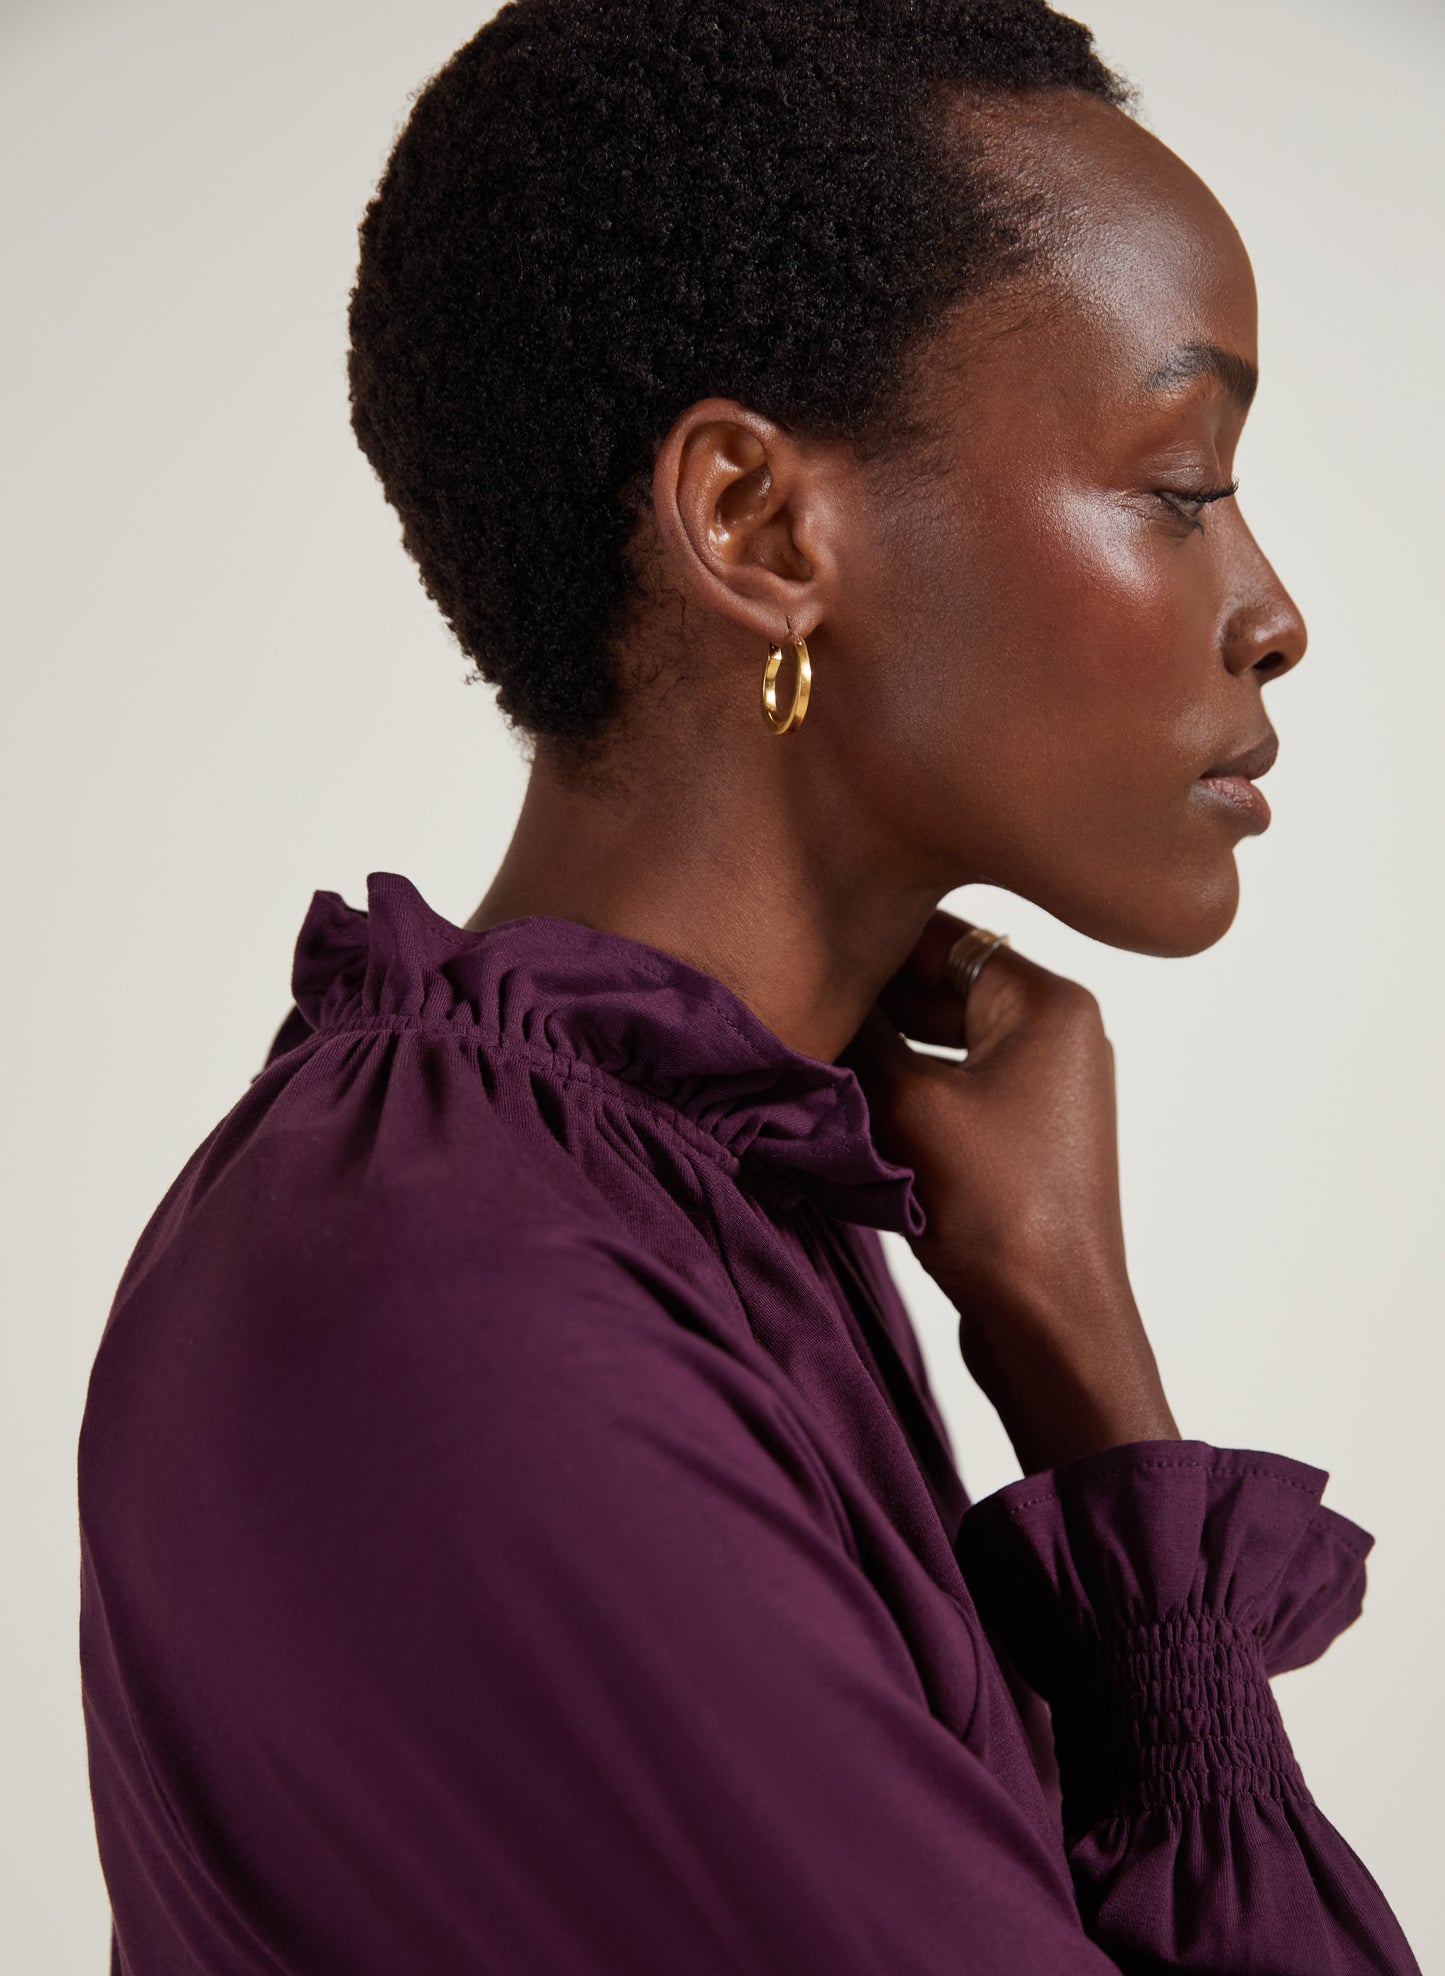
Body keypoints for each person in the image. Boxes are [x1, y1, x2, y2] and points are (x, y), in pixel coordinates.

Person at [77, 1, 1421, 1970]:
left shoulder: (689, 1200)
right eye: (1179, 481)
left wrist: (1070, 1341)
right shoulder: (464, 1306)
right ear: (760, 526)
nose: (1270, 612)